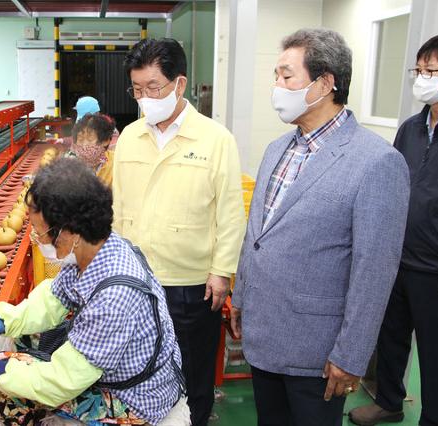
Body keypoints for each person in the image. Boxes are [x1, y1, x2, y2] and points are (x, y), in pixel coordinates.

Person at [229, 28, 410, 426]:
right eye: (276, 75)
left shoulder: (376, 162)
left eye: (286, 76)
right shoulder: (278, 149)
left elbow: (375, 269)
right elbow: (256, 235)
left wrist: (352, 354)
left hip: (319, 352)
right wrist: (241, 296)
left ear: (325, 83)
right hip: (264, 334)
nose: (276, 86)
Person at [0, 158, 189, 426]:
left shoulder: (115, 296)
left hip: (135, 398)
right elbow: (52, 300)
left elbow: (62, 381)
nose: (36, 239)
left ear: (69, 233)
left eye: (40, 233)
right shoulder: (95, 248)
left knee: (9, 387)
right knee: (22, 336)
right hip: (117, 365)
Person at [113, 38, 246, 426]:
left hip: (190, 283)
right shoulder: (129, 138)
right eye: (137, 90)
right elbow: (119, 210)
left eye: (153, 88)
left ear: (180, 84)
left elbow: (230, 213)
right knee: (141, 368)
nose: (145, 98)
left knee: (193, 373)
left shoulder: (215, 139)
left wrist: (221, 271)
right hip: (138, 281)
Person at [349, 33, 438, 426]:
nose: (421, 78)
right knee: (391, 335)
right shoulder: (411, 127)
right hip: (397, 256)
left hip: (436, 266)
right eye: (418, 70)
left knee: (436, 350)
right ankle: (389, 400)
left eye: (431, 70)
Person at [65, 113, 115, 186]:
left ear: (105, 141)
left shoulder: (116, 163)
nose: (84, 144)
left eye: (90, 139)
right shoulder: (67, 164)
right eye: (80, 139)